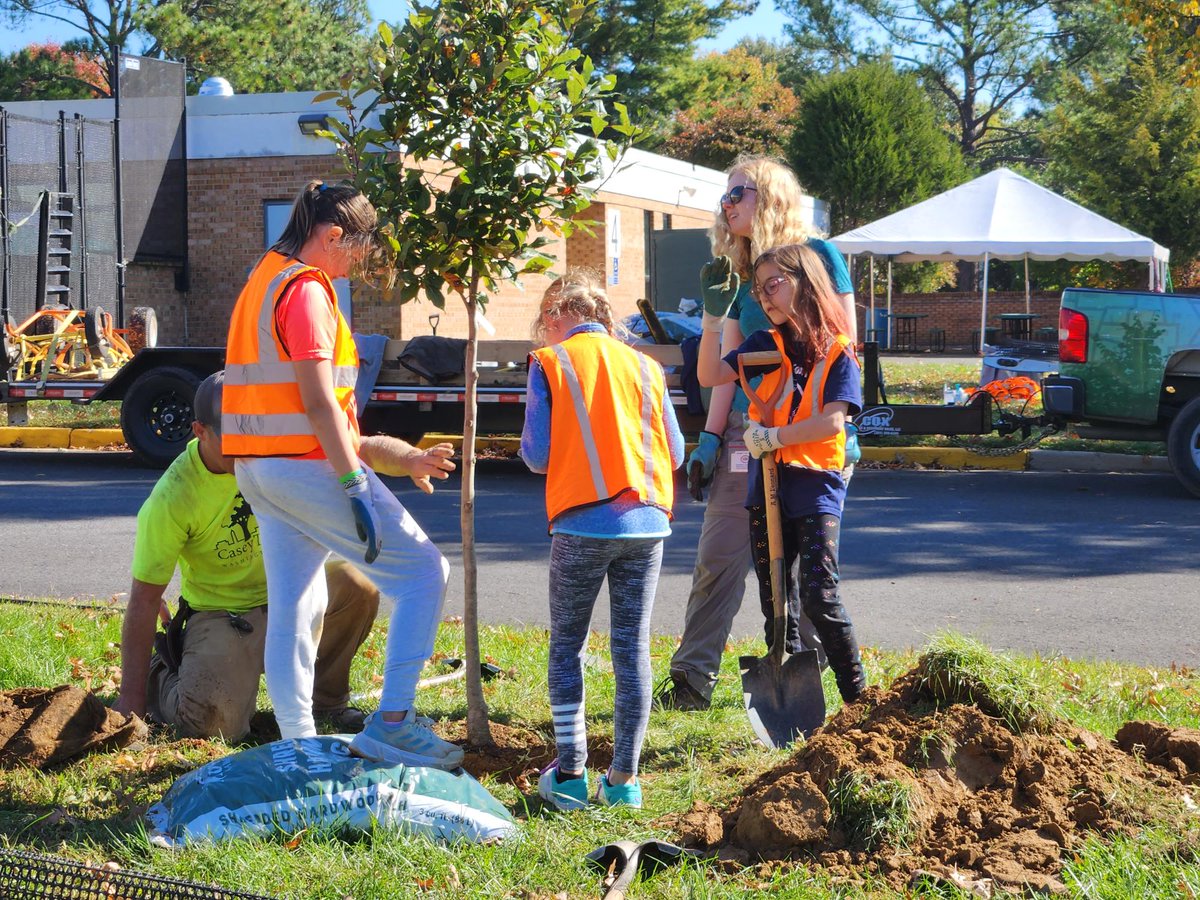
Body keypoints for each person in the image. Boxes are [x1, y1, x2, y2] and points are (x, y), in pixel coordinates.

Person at [222, 180, 463, 769]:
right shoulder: (306, 292)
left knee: (297, 605)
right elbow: (318, 401)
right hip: (309, 469)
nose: (358, 261)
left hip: (262, 469)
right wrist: (353, 481)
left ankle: (298, 744)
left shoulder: (266, 277)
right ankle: (394, 724)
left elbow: (318, 411)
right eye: (356, 249)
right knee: (425, 572)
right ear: (332, 236)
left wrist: (400, 458)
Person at [112, 370, 456, 742]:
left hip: (287, 595)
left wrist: (411, 459)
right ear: (200, 430)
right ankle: (160, 675)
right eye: (234, 436)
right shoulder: (174, 496)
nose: (249, 445)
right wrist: (130, 698)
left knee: (357, 585)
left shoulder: (275, 444)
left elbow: (358, 445)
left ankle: (327, 702)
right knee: (214, 727)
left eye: (254, 430)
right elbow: (144, 598)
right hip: (225, 614)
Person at [655, 154, 856, 711]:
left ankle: (807, 687)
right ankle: (693, 679)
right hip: (751, 430)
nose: (726, 205)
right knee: (719, 557)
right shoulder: (737, 276)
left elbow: (842, 344)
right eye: (724, 195)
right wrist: (712, 437)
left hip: (811, 434)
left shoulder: (818, 258)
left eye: (737, 193)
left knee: (804, 575)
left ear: (769, 198)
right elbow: (726, 372)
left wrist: (812, 428)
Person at [520, 271, 684, 810]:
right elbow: (675, 453)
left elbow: (539, 455)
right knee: (631, 648)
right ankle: (624, 782)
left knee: (567, 645)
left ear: (554, 316)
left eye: (543, 322)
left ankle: (569, 777)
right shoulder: (646, 366)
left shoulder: (553, 363)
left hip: (581, 523)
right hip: (648, 522)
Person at [696, 243, 866, 705]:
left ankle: (861, 700)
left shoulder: (838, 352)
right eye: (759, 290)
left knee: (818, 594)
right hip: (766, 484)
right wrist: (713, 321)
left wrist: (773, 438)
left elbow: (832, 421)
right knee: (776, 601)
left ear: (805, 283)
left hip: (815, 484)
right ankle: (790, 692)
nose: (765, 298)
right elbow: (711, 375)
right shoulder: (761, 346)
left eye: (775, 284)